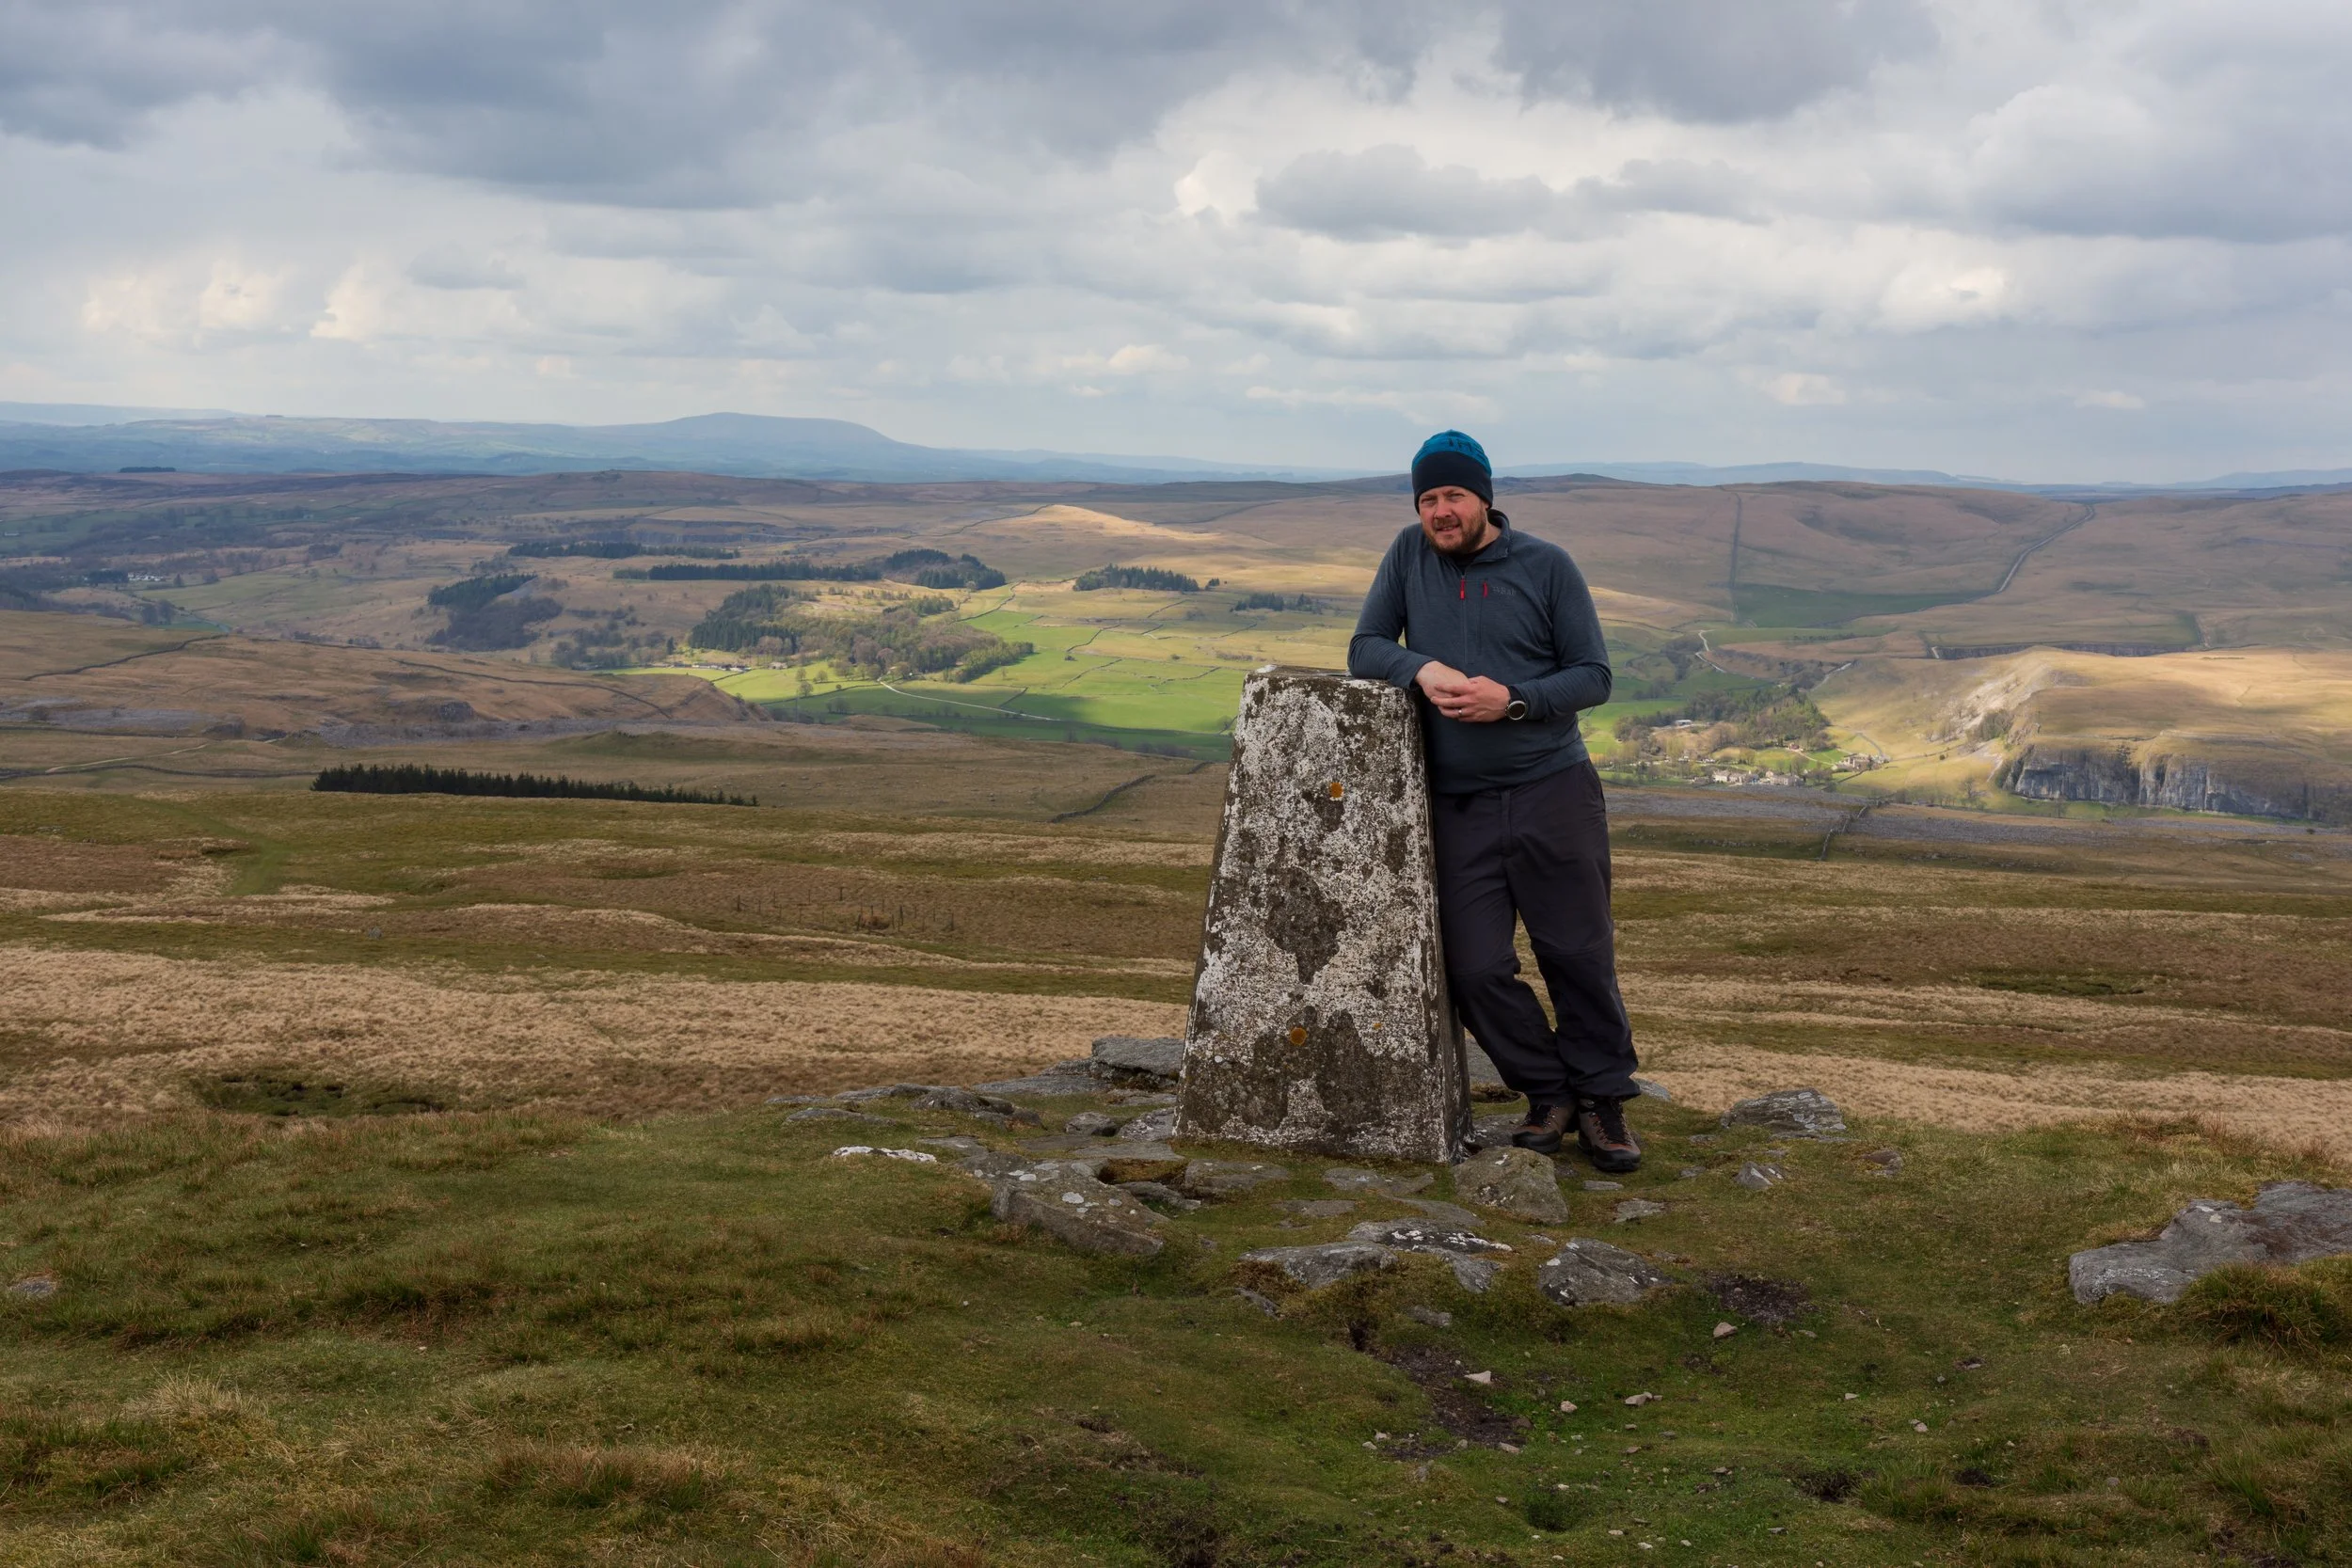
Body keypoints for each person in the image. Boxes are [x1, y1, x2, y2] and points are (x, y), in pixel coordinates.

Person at [1346, 430, 1642, 1173]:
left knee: (1576, 953)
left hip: (1553, 789)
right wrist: (1420, 669)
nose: (1441, 512)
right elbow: (1366, 645)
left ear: (1485, 497)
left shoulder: (1547, 566)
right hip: (1459, 803)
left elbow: (1593, 676)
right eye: (1428, 499)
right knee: (1474, 966)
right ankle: (1548, 1091)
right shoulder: (1407, 557)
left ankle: (1603, 1104)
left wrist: (1512, 701)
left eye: (1453, 495)